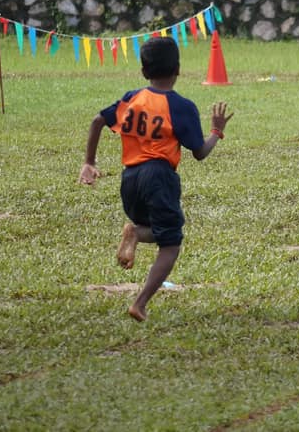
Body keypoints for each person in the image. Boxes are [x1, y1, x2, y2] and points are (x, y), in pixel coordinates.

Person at [78, 37, 233, 323]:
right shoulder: (181, 106)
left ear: (143, 71)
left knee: (155, 228)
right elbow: (200, 153)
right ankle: (139, 303)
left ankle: (136, 233)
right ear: (178, 69)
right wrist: (216, 132)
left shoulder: (132, 98)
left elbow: (98, 121)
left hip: (130, 179)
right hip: (159, 177)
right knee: (171, 243)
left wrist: (89, 163)